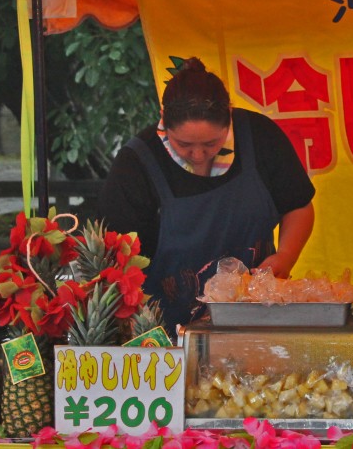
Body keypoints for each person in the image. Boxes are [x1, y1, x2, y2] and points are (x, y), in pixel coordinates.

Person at [99, 57, 315, 333]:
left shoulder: (259, 136)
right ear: (164, 119)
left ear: (229, 116)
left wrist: (285, 256)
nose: (198, 155)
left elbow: (298, 206)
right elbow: (115, 258)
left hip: (255, 321)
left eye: (212, 143)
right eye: (184, 144)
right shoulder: (137, 164)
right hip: (164, 333)